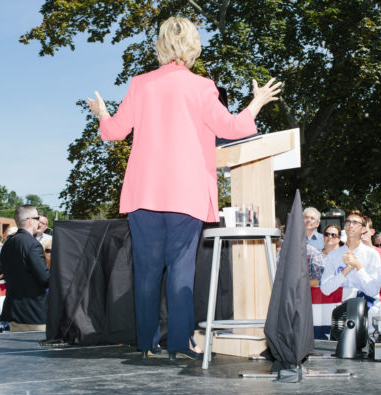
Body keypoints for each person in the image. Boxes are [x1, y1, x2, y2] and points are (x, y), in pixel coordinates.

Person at [87, 16, 281, 360]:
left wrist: (101, 113)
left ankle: (146, 344)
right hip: (186, 193)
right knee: (180, 269)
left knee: (146, 272)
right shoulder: (202, 87)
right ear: (193, 45)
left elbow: (115, 131)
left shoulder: (140, 84)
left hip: (144, 193)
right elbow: (234, 127)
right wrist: (257, 102)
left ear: (160, 44)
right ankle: (179, 344)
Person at [0, 205, 50, 332]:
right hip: (33, 312)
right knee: (37, 351)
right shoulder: (33, 244)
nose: (39, 222)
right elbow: (44, 279)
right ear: (30, 220)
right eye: (37, 218)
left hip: (14, 310)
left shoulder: (8, 243)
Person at [320, 210, 381, 303]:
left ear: (363, 229)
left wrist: (358, 267)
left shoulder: (372, 255)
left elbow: (373, 291)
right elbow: (325, 289)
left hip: (366, 308)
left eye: (355, 222)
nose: (350, 225)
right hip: (340, 308)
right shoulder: (334, 255)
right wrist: (346, 271)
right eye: (348, 222)